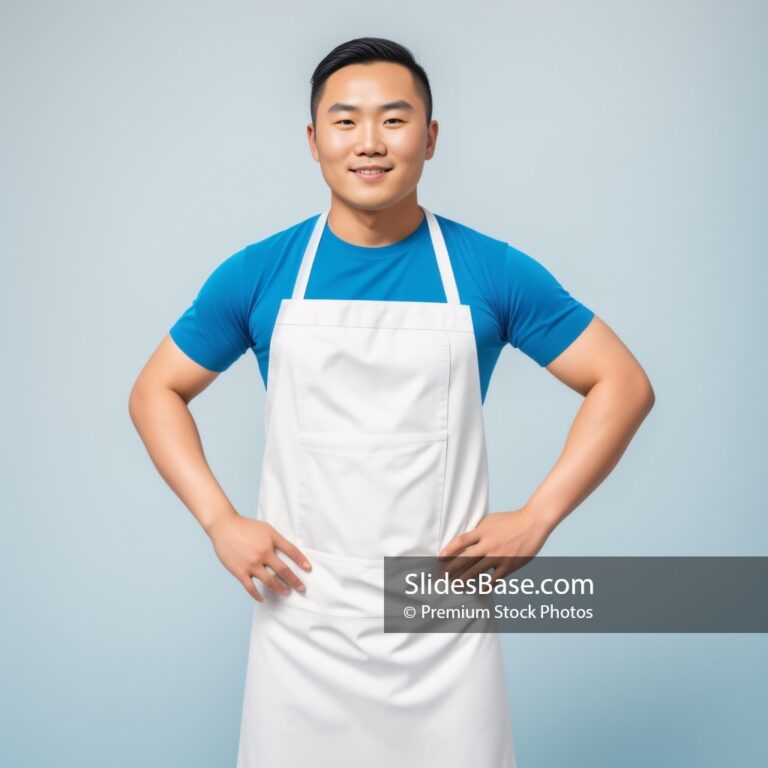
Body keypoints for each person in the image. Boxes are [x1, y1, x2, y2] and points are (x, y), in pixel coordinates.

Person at [129, 36, 654, 768]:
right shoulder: (261, 273)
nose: (369, 143)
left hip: (441, 615)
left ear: (431, 138)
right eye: (345, 122)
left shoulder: (488, 269)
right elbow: (156, 390)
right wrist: (219, 520)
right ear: (314, 141)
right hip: (303, 616)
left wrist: (539, 516)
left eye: (394, 120)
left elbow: (622, 384)